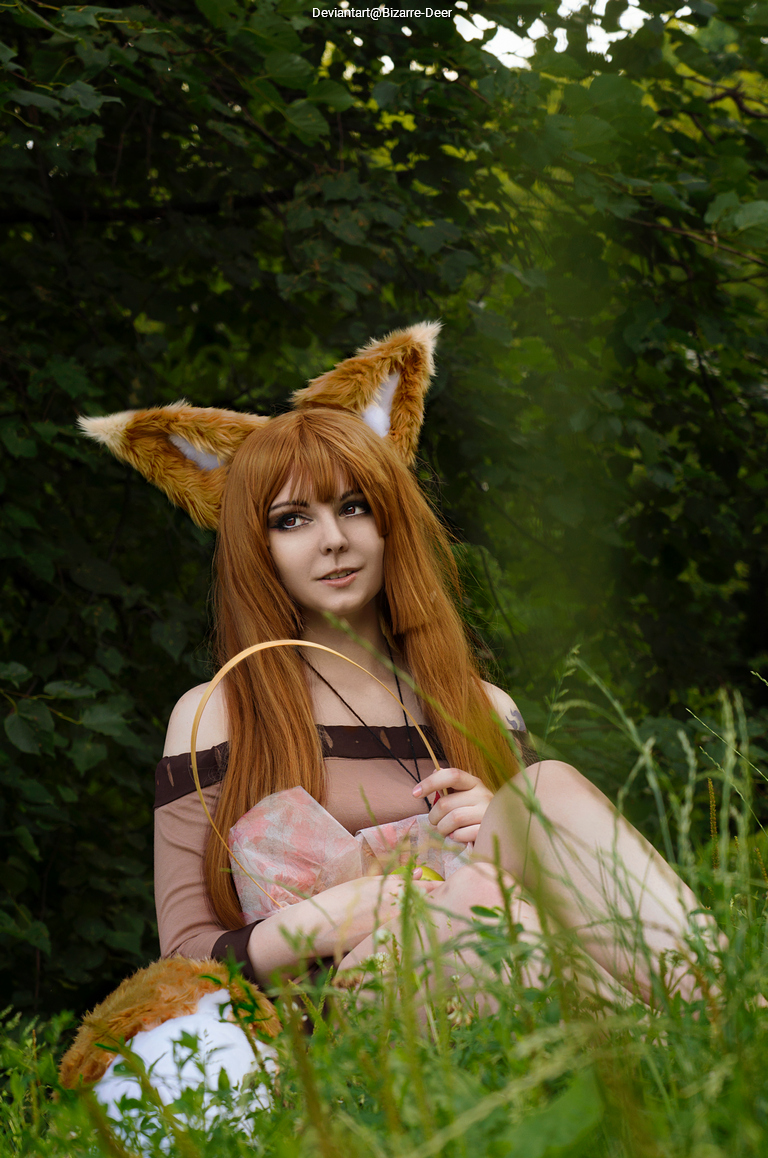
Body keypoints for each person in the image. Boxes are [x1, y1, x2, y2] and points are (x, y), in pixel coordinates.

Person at [81, 323, 712, 1011]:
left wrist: (494, 816)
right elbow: (181, 959)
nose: (333, 540)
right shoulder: (215, 712)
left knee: (543, 791)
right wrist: (338, 915)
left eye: (354, 506)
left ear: (388, 522)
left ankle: (727, 1019)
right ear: (254, 546)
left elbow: (548, 896)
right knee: (469, 905)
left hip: (500, 961)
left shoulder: (481, 703)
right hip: (335, 1013)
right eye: (292, 520)